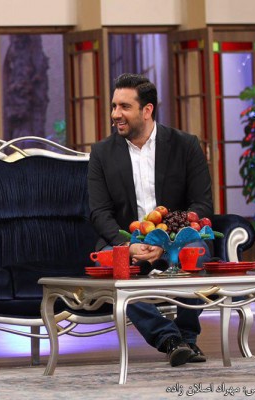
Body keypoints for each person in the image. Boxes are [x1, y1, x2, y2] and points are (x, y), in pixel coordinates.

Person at [87, 73, 213, 367]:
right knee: (111, 269)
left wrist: (166, 240)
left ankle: (187, 337)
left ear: (147, 110)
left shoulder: (185, 145)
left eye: (124, 107)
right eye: (114, 106)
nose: (115, 114)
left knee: (197, 250)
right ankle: (170, 340)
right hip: (126, 243)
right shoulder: (102, 153)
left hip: (176, 239)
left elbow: (201, 204)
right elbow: (99, 212)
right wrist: (128, 245)